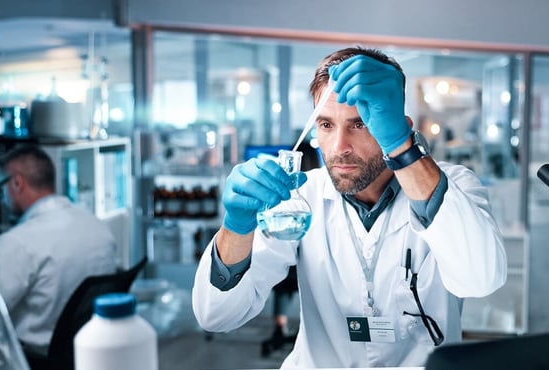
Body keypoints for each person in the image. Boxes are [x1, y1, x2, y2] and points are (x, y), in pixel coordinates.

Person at [192, 47, 507, 368]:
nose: (340, 147)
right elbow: (217, 315)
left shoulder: (454, 185)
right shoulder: (301, 196)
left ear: (400, 125)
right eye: (326, 125)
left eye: (359, 124)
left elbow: (481, 280)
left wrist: (402, 147)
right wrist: (236, 227)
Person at [0, 144, 118, 357]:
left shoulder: (17, 243)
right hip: (84, 354)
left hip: (29, 359)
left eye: (1, 188)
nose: (2, 199)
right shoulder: (98, 228)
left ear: (17, 183)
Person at [260, 139, 320, 357]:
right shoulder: (304, 193)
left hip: (291, 269)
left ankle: (279, 328)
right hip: (305, 267)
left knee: (282, 282)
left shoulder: (315, 191)